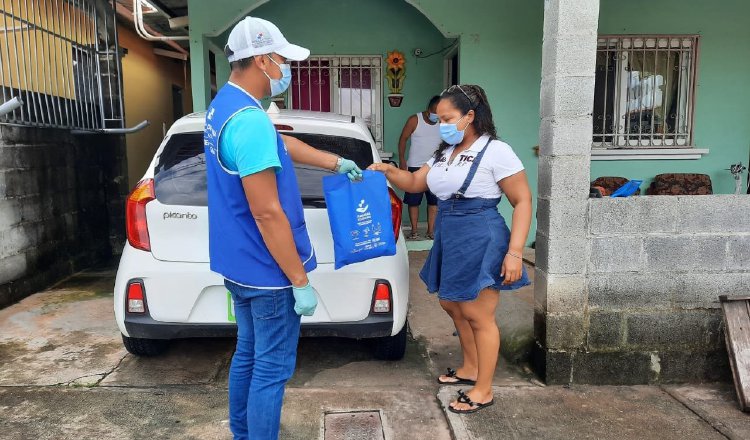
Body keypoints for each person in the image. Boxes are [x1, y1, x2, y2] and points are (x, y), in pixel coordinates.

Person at [204, 16, 362, 440]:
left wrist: (334, 161)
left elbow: (281, 143)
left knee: (249, 355)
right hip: (268, 272)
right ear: (260, 59)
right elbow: (267, 213)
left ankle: (243, 434)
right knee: (271, 370)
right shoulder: (249, 120)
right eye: (281, 59)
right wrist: (299, 279)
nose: (285, 69)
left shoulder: (226, 106)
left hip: (238, 265)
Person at [369, 84, 531, 414]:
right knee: (450, 303)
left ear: (470, 116)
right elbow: (416, 183)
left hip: (480, 232)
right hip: (450, 231)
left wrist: (515, 252)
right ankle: (470, 367)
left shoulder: (496, 151)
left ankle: (483, 389)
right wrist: (388, 170)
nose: (441, 123)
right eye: (438, 118)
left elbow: (522, 201)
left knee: (478, 313)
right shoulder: (444, 153)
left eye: (447, 118)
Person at [397, 96, 442, 239]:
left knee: (434, 202)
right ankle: (414, 231)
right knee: (413, 201)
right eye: (435, 112)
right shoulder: (415, 120)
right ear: (429, 110)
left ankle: (431, 231)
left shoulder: (444, 122)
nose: (437, 116)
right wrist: (402, 160)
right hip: (415, 166)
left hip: (435, 167)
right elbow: (403, 139)